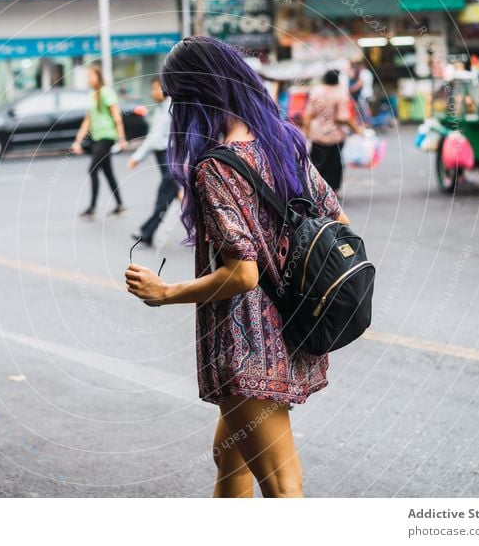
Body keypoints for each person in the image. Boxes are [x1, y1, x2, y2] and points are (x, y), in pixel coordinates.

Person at [124, 36, 350, 498]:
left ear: (195, 97)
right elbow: (339, 221)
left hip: (246, 342)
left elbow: (242, 274)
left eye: (176, 100)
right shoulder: (282, 140)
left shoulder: (215, 167)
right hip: (291, 325)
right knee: (230, 466)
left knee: (284, 487)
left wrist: (164, 292)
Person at [70, 65, 128, 219]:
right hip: (97, 137)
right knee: (108, 173)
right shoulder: (92, 94)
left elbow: (117, 116)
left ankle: (92, 208)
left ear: (98, 77)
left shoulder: (106, 92)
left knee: (92, 169)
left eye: (91, 76)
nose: (89, 79)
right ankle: (120, 205)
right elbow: (87, 121)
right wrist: (77, 141)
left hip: (107, 136)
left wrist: (122, 138)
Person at [128, 78, 176, 247]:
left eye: (155, 89)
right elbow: (153, 138)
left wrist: (137, 156)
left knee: (163, 197)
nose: (152, 92)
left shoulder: (171, 109)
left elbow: (157, 138)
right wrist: (138, 156)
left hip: (171, 158)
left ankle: (147, 232)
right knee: (175, 196)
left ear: (165, 89)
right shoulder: (160, 110)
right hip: (163, 158)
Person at [303, 69, 363, 194]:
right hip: (335, 135)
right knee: (334, 164)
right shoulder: (340, 93)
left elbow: (307, 114)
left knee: (316, 163)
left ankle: (316, 190)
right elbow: (343, 117)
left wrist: (306, 131)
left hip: (317, 134)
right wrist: (357, 129)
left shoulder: (316, 91)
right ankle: (333, 191)